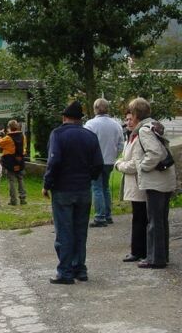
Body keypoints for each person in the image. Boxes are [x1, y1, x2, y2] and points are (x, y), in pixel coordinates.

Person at [42, 101, 104, 284]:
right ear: (80, 119)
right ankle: (80, 269)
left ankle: (65, 271)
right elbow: (98, 164)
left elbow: (54, 161)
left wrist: (47, 184)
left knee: (64, 231)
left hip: (63, 189)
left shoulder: (58, 134)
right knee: (80, 230)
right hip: (84, 189)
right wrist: (88, 177)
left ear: (64, 117)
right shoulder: (90, 136)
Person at [126, 97, 176, 269]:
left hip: (155, 181)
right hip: (165, 178)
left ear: (135, 114)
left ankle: (154, 258)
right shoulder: (156, 126)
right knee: (161, 220)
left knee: (154, 220)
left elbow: (154, 153)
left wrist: (142, 167)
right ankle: (162, 255)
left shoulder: (144, 131)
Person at [84, 98, 124, 227]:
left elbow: (86, 143)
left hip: (94, 161)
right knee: (105, 187)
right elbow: (120, 144)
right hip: (109, 160)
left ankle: (100, 216)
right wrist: (114, 155)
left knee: (96, 188)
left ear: (95, 109)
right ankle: (107, 215)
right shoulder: (116, 124)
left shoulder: (90, 124)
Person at [114, 111, 147, 262]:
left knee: (140, 218)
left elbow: (134, 164)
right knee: (138, 217)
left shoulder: (139, 137)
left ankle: (139, 251)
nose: (128, 122)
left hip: (138, 184)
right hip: (133, 184)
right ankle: (138, 250)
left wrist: (120, 165)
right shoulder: (131, 137)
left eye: (130, 119)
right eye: (126, 119)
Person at [0, 119, 27, 205]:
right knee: (21, 179)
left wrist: (0, 135)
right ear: (17, 126)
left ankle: (13, 200)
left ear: (9, 127)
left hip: (10, 161)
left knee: (12, 181)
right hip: (20, 161)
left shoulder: (7, 138)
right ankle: (23, 199)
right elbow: (23, 146)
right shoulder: (22, 136)